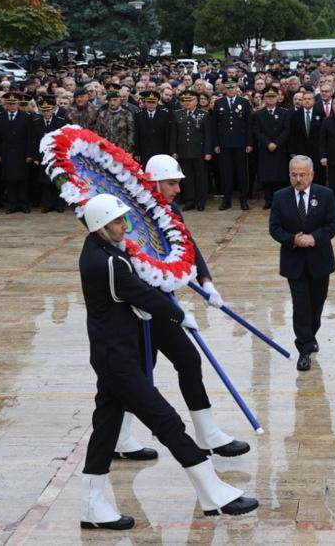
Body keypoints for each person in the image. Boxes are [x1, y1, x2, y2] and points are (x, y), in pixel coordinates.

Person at [77, 194, 257, 530]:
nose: (124, 226)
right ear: (101, 225)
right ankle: (212, 491)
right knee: (167, 421)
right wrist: (178, 314)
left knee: (105, 428)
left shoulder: (102, 251)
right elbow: (141, 293)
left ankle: (91, 504)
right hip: (117, 359)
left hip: (113, 354)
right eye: (117, 222)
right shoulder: (109, 262)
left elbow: (130, 297)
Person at [112, 154, 250, 462]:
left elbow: (187, 246)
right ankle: (120, 438)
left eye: (177, 183)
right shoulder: (129, 216)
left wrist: (206, 282)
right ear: (154, 182)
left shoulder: (170, 210)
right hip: (140, 308)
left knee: (178, 362)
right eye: (172, 183)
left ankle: (206, 433)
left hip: (161, 303)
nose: (177, 189)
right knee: (140, 372)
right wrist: (171, 310)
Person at [269, 156, 335, 371]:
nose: (298, 179)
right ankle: (304, 348)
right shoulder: (280, 197)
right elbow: (275, 228)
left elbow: (333, 223)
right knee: (301, 305)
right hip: (294, 261)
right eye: (294, 175)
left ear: (311, 175)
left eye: (302, 175)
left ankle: (310, 335)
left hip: (320, 260)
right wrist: (293, 239)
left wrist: (314, 238)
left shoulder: (325, 195)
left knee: (316, 304)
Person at [211, 79, 253, 210]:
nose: (230, 90)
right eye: (228, 88)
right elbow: (215, 126)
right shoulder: (219, 103)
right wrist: (216, 143)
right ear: (224, 88)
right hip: (224, 144)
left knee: (242, 172)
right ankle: (226, 200)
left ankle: (243, 199)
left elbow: (249, 125)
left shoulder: (244, 102)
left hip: (240, 143)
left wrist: (249, 142)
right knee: (226, 173)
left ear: (236, 88)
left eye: (232, 87)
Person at [170, 90, 213, 211]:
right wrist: (173, 150)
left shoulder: (203, 114)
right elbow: (174, 134)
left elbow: (208, 135)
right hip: (183, 151)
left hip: (199, 151)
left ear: (196, 101)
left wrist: (208, 152)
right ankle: (190, 200)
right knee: (187, 177)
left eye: (190, 100)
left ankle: (201, 201)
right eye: (185, 101)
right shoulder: (177, 114)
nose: (187, 103)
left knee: (201, 177)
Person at [0, 91, 33, 214]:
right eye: (9, 104)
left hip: (21, 152)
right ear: (6, 104)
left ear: (18, 104)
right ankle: (12, 204)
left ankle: (23, 204)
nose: (12, 106)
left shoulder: (26, 117)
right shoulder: (0, 117)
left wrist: (29, 154)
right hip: (6, 152)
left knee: (22, 180)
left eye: (14, 103)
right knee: (9, 180)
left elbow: (29, 138)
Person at [253, 88, 291, 208]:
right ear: (264, 98)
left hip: (279, 149)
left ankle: (279, 201)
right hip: (265, 149)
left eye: (273, 97)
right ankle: (268, 200)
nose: (271, 99)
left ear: (277, 98)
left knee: (280, 176)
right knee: (266, 176)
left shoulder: (284, 113)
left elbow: (286, 130)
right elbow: (257, 131)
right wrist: (268, 143)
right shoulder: (259, 114)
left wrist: (276, 143)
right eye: (268, 97)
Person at [33, 95, 68, 212]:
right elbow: (34, 141)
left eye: (48, 110)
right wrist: (36, 157)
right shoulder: (36, 122)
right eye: (44, 110)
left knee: (57, 180)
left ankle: (59, 205)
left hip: (57, 155)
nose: (46, 112)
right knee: (45, 181)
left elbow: (65, 140)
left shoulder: (61, 122)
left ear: (53, 109)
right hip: (43, 156)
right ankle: (47, 205)